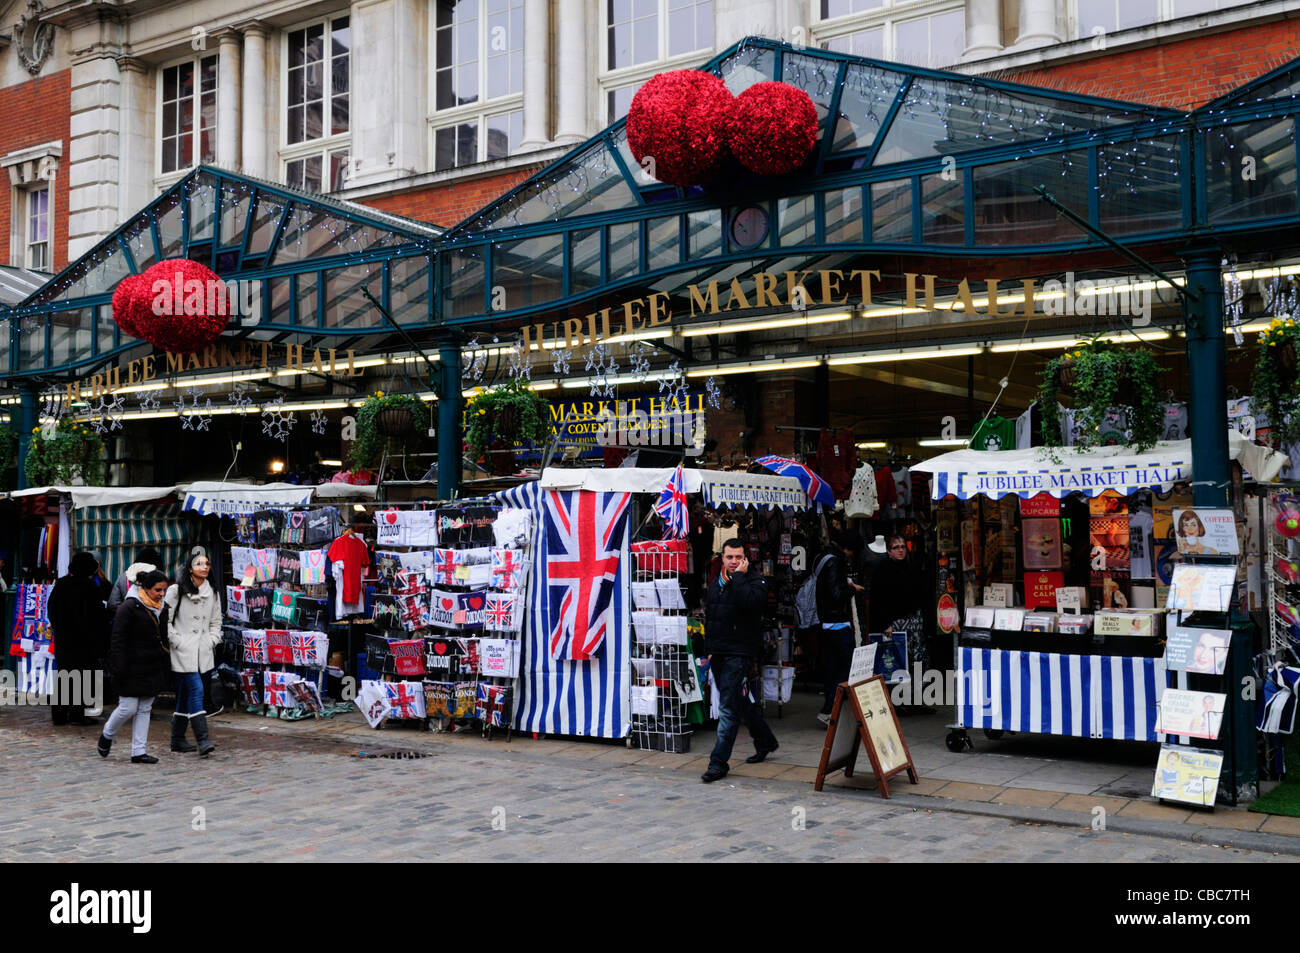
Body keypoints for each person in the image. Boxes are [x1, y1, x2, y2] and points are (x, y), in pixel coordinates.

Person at [701, 539, 779, 783]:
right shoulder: (717, 581)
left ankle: (718, 763)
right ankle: (765, 740)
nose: (734, 561)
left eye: (738, 557)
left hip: (740, 652)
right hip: (719, 651)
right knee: (739, 701)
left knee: (728, 708)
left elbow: (749, 603)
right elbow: (712, 616)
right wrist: (709, 649)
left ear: (746, 558)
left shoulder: (756, 582)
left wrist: (739, 578)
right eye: (729, 557)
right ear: (722, 558)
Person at [98, 569, 172, 764]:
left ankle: (139, 750)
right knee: (128, 707)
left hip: (152, 664)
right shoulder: (129, 607)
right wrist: (119, 666)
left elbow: (163, 636)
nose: (162, 594)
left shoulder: (162, 607)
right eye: (158, 590)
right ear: (146, 588)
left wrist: (165, 660)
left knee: (145, 707)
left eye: (164, 590)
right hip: (130, 665)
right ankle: (107, 733)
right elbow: (118, 639)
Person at [164, 547, 222, 756]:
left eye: (207, 564)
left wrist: (212, 640)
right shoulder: (176, 590)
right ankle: (203, 740)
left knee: (184, 694)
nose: (204, 567)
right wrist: (177, 641)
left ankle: (177, 739)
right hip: (183, 650)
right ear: (190, 568)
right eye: (199, 564)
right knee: (197, 690)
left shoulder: (212, 592)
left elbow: (216, 621)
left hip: (203, 651)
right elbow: (165, 620)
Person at [46, 551, 108, 726]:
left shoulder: (61, 584)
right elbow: (98, 617)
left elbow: (51, 609)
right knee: (83, 678)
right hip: (84, 642)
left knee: (64, 676)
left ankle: (59, 715)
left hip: (64, 640)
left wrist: (59, 629)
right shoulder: (90, 588)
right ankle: (77, 714)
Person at [816, 530, 865, 726]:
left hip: (827, 623)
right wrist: (852, 588)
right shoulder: (835, 562)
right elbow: (836, 594)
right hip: (837, 622)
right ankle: (831, 709)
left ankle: (829, 710)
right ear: (848, 549)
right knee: (847, 667)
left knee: (833, 668)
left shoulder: (824, 556)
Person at [869, 535, 927, 686]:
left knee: (916, 656)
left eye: (903, 546)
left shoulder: (910, 567)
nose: (900, 550)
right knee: (898, 658)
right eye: (896, 547)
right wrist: (885, 623)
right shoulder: (882, 570)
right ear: (889, 551)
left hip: (913, 621)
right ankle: (900, 695)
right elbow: (878, 599)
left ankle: (916, 693)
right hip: (895, 622)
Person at [107, 547, 162, 618]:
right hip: (151, 620)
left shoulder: (123, 577)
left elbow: (112, 604)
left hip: (127, 621)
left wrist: (128, 613)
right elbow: (164, 602)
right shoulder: (159, 577)